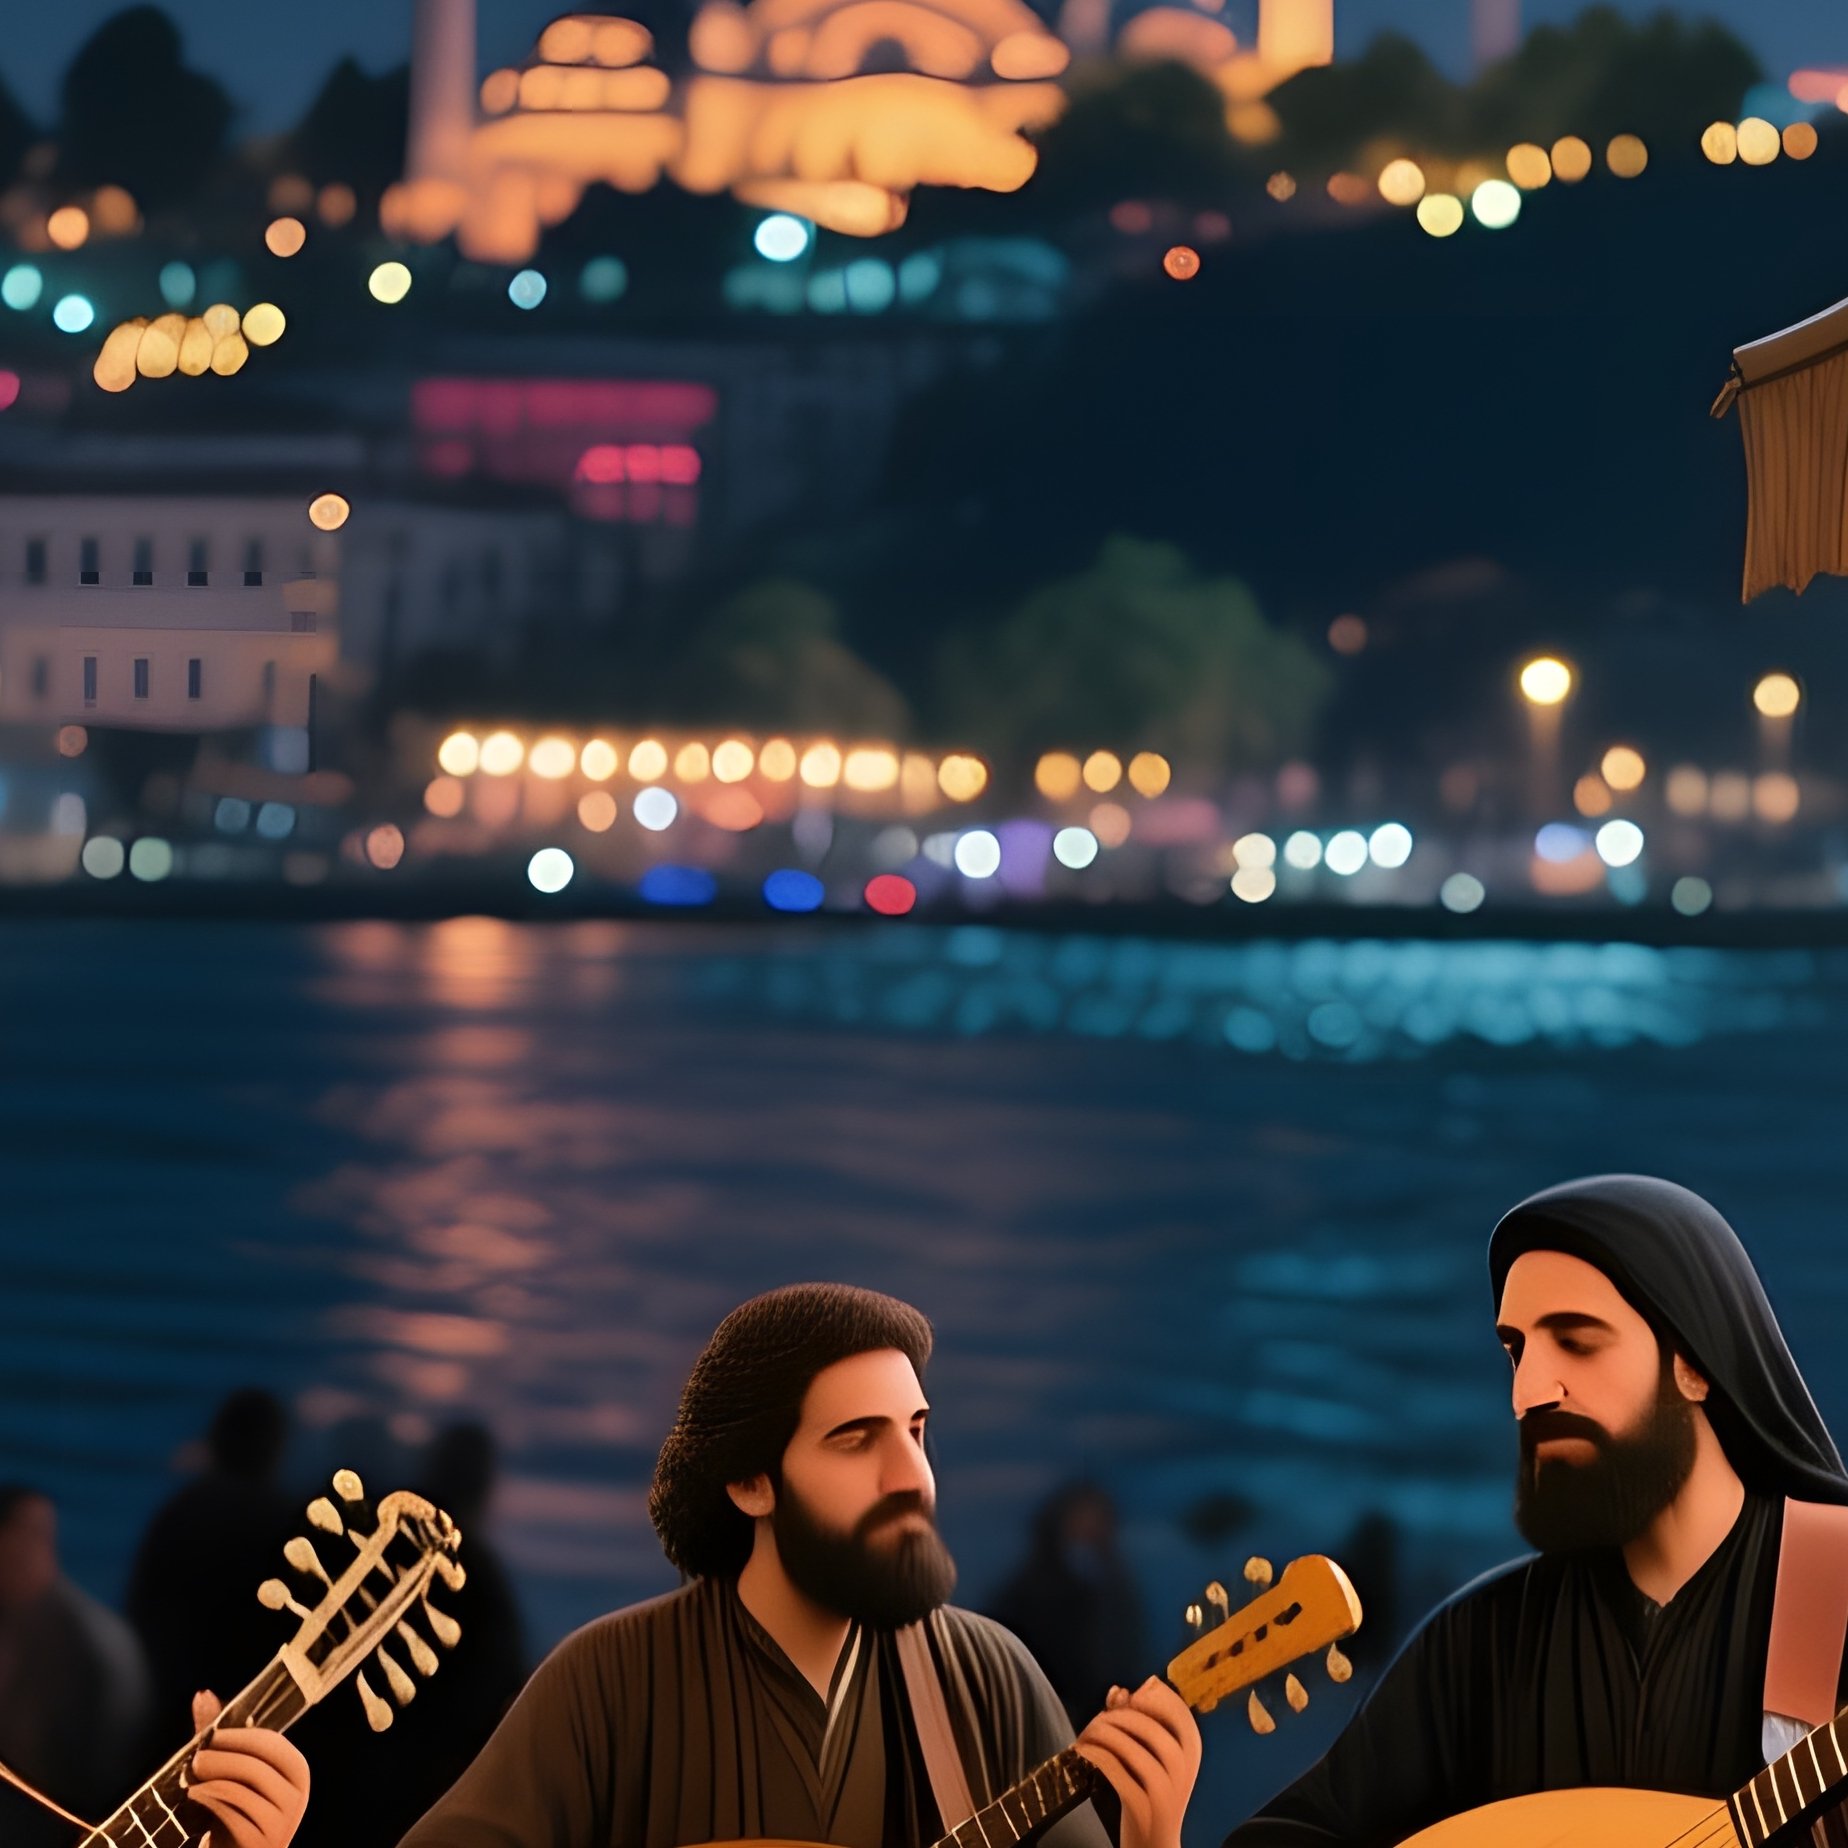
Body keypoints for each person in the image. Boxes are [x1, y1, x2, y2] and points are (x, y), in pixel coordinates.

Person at [399, 1282, 1201, 1848]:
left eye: (916, 1432)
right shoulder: (606, 1680)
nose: (910, 1477)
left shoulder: (988, 1678)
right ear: (751, 1483)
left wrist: (1154, 1837)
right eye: (857, 1439)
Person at [1223, 1173, 1848, 1847]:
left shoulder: (1834, 1593)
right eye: (1517, 1350)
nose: (1527, 1392)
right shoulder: (1483, 1643)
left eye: (1576, 1341)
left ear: (1695, 1364)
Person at [0, 1481, 311, 1848]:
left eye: (40, 1537)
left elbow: (117, 1764)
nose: (30, 1553)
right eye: (22, 1536)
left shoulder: (96, 1645)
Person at [127, 1388, 297, 1750]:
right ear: (278, 1448)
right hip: (251, 1717)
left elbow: (140, 1610)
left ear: (216, 1442)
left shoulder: (178, 1513)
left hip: (162, 1703)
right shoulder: (285, 1524)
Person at [987, 1482, 1146, 1729]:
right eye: (1083, 1526)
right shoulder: (1028, 1595)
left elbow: (1126, 1652)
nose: (1090, 1535)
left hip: (1103, 1724)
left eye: (1099, 1527)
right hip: (1048, 1728)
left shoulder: (1114, 1589)